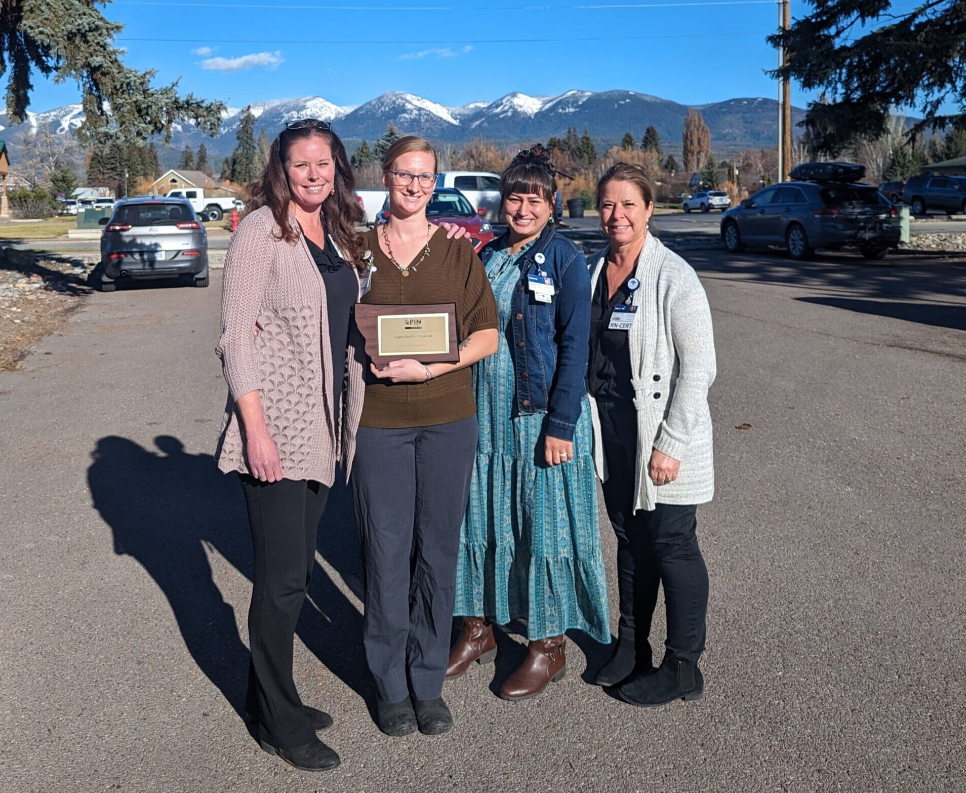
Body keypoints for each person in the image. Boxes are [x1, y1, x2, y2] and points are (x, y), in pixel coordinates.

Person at [214, 119, 368, 772]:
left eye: (323, 162)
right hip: (274, 429)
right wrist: (256, 430)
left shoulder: (335, 231)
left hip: (319, 430)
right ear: (281, 169)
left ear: (337, 167)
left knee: (297, 573)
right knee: (280, 583)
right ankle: (280, 723)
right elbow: (235, 335)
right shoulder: (260, 231)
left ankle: (267, 700)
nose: (313, 174)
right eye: (301, 164)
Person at [446, 145, 610, 700]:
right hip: (484, 417)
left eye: (534, 200)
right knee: (481, 521)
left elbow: (576, 346)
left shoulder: (564, 258)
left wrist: (562, 423)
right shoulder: (487, 252)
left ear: (552, 204)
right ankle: (478, 629)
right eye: (515, 198)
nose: (522, 209)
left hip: (536, 416)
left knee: (543, 527)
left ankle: (548, 644)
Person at [350, 136, 499, 737]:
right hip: (379, 423)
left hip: (446, 419)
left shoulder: (457, 250)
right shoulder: (358, 250)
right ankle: (390, 685)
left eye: (425, 176)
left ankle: (427, 680)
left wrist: (430, 369)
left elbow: (486, 335)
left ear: (436, 183)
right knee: (386, 552)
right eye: (404, 173)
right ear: (386, 176)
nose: (414, 185)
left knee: (438, 551)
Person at [585, 162, 716, 707]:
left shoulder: (673, 276)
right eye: (608, 204)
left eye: (628, 204)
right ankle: (631, 646)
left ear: (648, 210)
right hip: (614, 430)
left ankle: (683, 666)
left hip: (661, 434)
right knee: (630, 541)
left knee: (672, 544)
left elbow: (700, 367)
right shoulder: (595, 269)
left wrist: (671, 443)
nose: (617, 215)